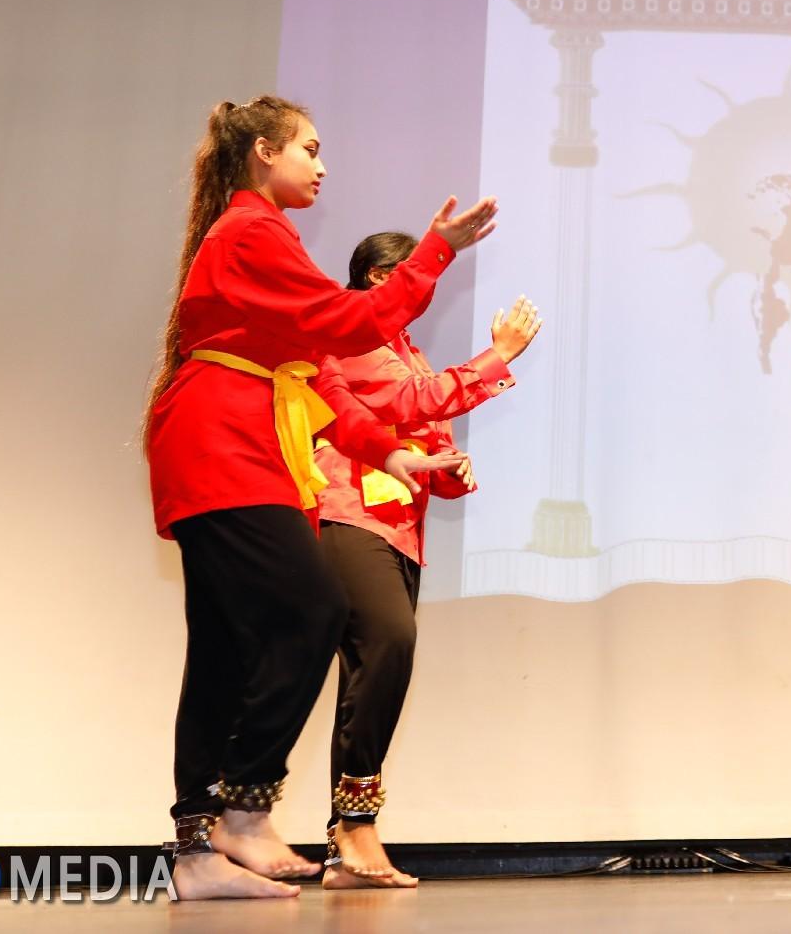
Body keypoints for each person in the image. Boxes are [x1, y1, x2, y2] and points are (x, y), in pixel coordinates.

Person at [144, 96, 496, 900]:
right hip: (221, 443)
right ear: (263, 151)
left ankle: (196, 850)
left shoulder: (259, 233)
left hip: (235, 441)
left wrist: (388, 450)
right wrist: (436, 251)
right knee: (314, 609)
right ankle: (243, 804)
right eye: (309, 148)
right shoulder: (250, 230)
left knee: (223, 650)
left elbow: (320, 381)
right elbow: (350, 321)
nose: (322, 165)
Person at [311, 230, 543, 888]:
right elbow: (411, 401)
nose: (428, 292)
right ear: (381, 278)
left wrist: (449, 470)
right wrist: (498, 356)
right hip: (348, 517)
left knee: (370, 673)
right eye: (418, 277)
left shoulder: (407, 350)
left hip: (400, 534)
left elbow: (425, 436)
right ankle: (351, 827)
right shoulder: (353, 336)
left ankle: (347, 841)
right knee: (390, 640)